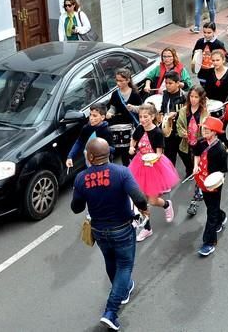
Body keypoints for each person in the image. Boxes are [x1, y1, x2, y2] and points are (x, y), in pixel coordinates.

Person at [71, 138, 149, 331]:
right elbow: (139, 197)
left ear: (90, 156)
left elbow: (76, 207)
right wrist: (144, 210)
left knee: (110, 261)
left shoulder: (81, 178)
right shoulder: (122, 172)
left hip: (99, 231)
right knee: (124, 266)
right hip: (122, 228)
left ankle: (123, 289)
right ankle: (111, 312)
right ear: (108, 154)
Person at [128, 103, 180, 241]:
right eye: (140, 116)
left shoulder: (157, 133)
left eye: (146, 116)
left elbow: (159, 153)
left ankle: (166, 205)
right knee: (140, 199)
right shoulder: (139, 129)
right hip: (139, 165)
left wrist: (151, 159)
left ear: (152, 116)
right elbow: (133, 141)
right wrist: (131, 148)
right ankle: (147, 228)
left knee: (152, 200)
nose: (143, 119)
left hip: (154, 166)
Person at [192, 116, 228, 256]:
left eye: (207, 129)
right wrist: (195, 166)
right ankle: (221, 217)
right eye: (203, 128)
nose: (204, 130)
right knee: (211, 207)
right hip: (201, 179)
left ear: (214, 132)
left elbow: (223, 171)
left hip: (213, 183)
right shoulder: (201, 143)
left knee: (211, 212)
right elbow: (196, 154)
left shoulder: (220, 149)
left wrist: (215, 183)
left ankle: (209, 242)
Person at [176, 85, 210, 217]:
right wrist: (183, 133)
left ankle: (194, 201)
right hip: (188, 146)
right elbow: (178, 126)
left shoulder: (205, 112)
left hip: (201, 147)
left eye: (196, 97)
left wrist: (200, 134)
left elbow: (208, 129)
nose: (193, 99)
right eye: (191, 96)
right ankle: (200, 190)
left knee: (199, 170)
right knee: (194, 170)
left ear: (201, 98)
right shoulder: (184, 111)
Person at [203, 50, 228, 153]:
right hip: (210, 105)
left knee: (220, 130)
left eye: (217, 60)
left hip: (224, 105)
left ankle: (226, 146)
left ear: (223, 60)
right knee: (209, 129)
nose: (215, 62)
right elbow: (205, 88)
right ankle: (213, 147)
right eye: (213, 60)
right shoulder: (210, 72)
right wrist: (204, 97)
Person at [106, 68, 142, 166]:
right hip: (118, 127)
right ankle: (127, 169)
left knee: (131, 150)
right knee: (122, 152)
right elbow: (112, 107)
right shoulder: (115, 94)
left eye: (121, 81)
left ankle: (137, 168)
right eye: (117, 80)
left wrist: (133, 108)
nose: (118, 83)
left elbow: (142, 109)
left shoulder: (134, 94)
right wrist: (109, 112)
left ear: (128, 80)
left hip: (131, 125)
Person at [157, 71, 190, 175]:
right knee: (169, 154)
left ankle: (190, 171)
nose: (167, 85)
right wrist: (161, 115)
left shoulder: (184, 96)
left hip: (179, 129)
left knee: (183, 153)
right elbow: (163, 107)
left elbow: (188, 112)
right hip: (168, 130)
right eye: (166, 83)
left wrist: (175, 114)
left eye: (170, 83)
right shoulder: (165, 94)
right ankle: (170, 176)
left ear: (177, 83)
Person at [66, 103, 114, 170]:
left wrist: (102, 147)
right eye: (90, 115)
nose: (91, 118)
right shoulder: (86, 128)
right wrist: (70, 157)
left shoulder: (106, 131)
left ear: (102, 117)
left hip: (104, 166)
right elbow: (79, 142)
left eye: (95, 116)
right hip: (89, 164)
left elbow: (113, 149)